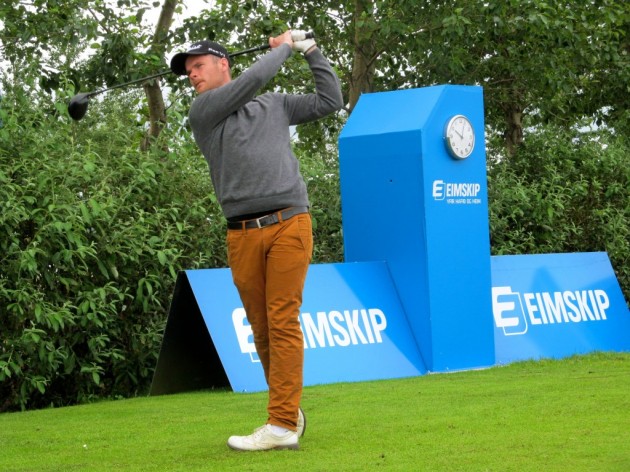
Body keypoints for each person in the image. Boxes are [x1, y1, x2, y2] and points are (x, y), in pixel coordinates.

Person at [169, 30, 343, 451]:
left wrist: (310, 50)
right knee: (262, 331)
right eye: (188, 71)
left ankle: (281, 424)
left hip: (289, 222)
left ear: (222, 64)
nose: (192, 75)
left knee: (282, 319)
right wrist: (283, 48)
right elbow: (252, 81)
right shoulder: (203, 111)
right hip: (242, 234)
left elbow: (330, 100)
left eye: (198, 66)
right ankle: (288, 410)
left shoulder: (275, 105)